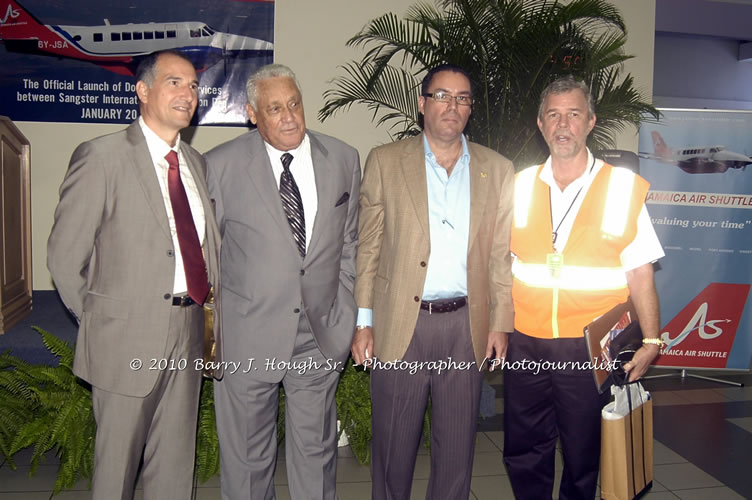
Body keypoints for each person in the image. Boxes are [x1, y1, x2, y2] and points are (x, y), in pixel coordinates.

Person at [47, 50, 221, 499]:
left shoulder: (196, 164)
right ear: (143, 91)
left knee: (174, 466)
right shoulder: (102, 156)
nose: (188, 94)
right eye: (174, 83)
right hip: (124, 339)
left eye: (193, 85)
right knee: (116, 473)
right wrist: (102, 323)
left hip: (188, 328)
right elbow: (65, 260)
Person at [352, 63, 515, 500]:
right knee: (393, 447)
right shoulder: (386, 161)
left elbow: (500, 256)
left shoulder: (497, 170)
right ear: (422, 104)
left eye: (462, 98)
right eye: (442, 95)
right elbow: (367, 248)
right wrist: (363, 320)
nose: (452, 105)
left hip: (465, 327)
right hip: (401, 324)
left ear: (470, 109)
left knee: (457, 450)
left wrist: (500, 322)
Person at [503, 75, 664, 499]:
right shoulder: (517, 186)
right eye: (553, 115)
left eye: (573, 114)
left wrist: (651, 339)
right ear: (540, 124)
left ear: (590, 121)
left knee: (582, 451)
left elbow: (641, 271)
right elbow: (499, 264)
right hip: (527, 340)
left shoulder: (621, 188)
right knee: (524, 448)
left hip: (590, 347)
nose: (563, 124)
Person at [205, 63, 360, 500]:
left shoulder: (343, 158)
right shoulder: (220, 165)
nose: (290, 116)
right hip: (247, 335)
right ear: (253, 114)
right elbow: (207, 255)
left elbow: (350, 241)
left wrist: (343, 302)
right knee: (248, 460)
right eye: (275, 108)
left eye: (294, 104)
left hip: (319, 332)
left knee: (317, 452)